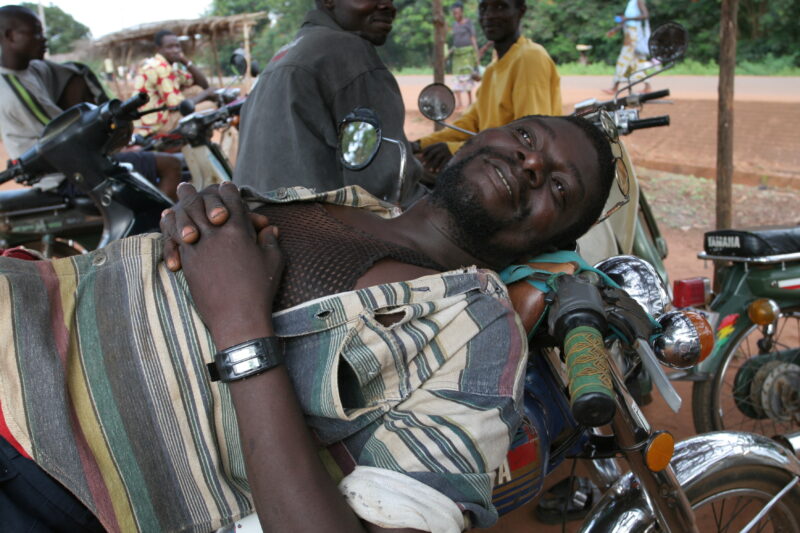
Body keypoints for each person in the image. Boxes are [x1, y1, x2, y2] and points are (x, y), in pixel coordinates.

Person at [0, 114, 616, 532]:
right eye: (527, 137)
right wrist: (192, 223)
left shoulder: (479, 335)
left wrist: (241, 324)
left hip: (39, 467)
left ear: (550, 241)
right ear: (481, 135)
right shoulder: (342, 201)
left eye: (557, 188)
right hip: (20, 303)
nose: (531, 164)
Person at [234, 0, 424, 205]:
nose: (388, 5)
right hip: (318, 231)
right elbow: (389, 187)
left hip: (259, 228)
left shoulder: (284, 56)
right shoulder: (348, 52)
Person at [0, 5, 182, 199]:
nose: (43, 38)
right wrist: (113, 145)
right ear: (10, 36)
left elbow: (77, 74)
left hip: (73, 163)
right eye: (36, 33)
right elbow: (63, 135)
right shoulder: (13, 90)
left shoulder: (32, 69)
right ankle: (160, 226)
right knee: (170, 165)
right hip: (66, 174)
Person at [415, 0, 562, 176]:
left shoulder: (530, 59)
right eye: (484, 8)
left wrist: (457, 150)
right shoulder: (493, 69)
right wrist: (420, 144)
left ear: (520, 11)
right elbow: (470, 123)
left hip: (524, 179)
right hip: (493, 169)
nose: (489, 16)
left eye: (500, 6)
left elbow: (529, 139)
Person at [133, 29, 217, 136]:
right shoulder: (160, 68)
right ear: (159, 49)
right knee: (210, 106)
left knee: (197, 90)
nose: (176, 50)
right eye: (170, 47)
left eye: (177, 46)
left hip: (159, 114)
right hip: (156, 125)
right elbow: (178, 106)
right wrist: (206, 94)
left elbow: (202, 84)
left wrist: (185, 61)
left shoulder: (168, 67)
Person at [603, 0, 651, 95]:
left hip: (634, 37)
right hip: (630, 33)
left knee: (623, 60)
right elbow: (626, 21)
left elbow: (645, 15)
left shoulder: (638, 1)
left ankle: (615, 87)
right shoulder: (631, 2)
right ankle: (647, 86)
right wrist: (615, 29)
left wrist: (627, 18)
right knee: (639, 62)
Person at [449, 2, 480, 108]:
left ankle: (470, 101)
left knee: (467, 77)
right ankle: (459, 103)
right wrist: (449, 52)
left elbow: (473, 38)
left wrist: (477, 54)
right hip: (457, 55)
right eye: (453, 13)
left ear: (461, 12)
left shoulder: (468, 23)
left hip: (467, 55)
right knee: (457, 77)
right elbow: (455, 41)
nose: (455, 15)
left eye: (457, 13)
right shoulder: (454, 25)